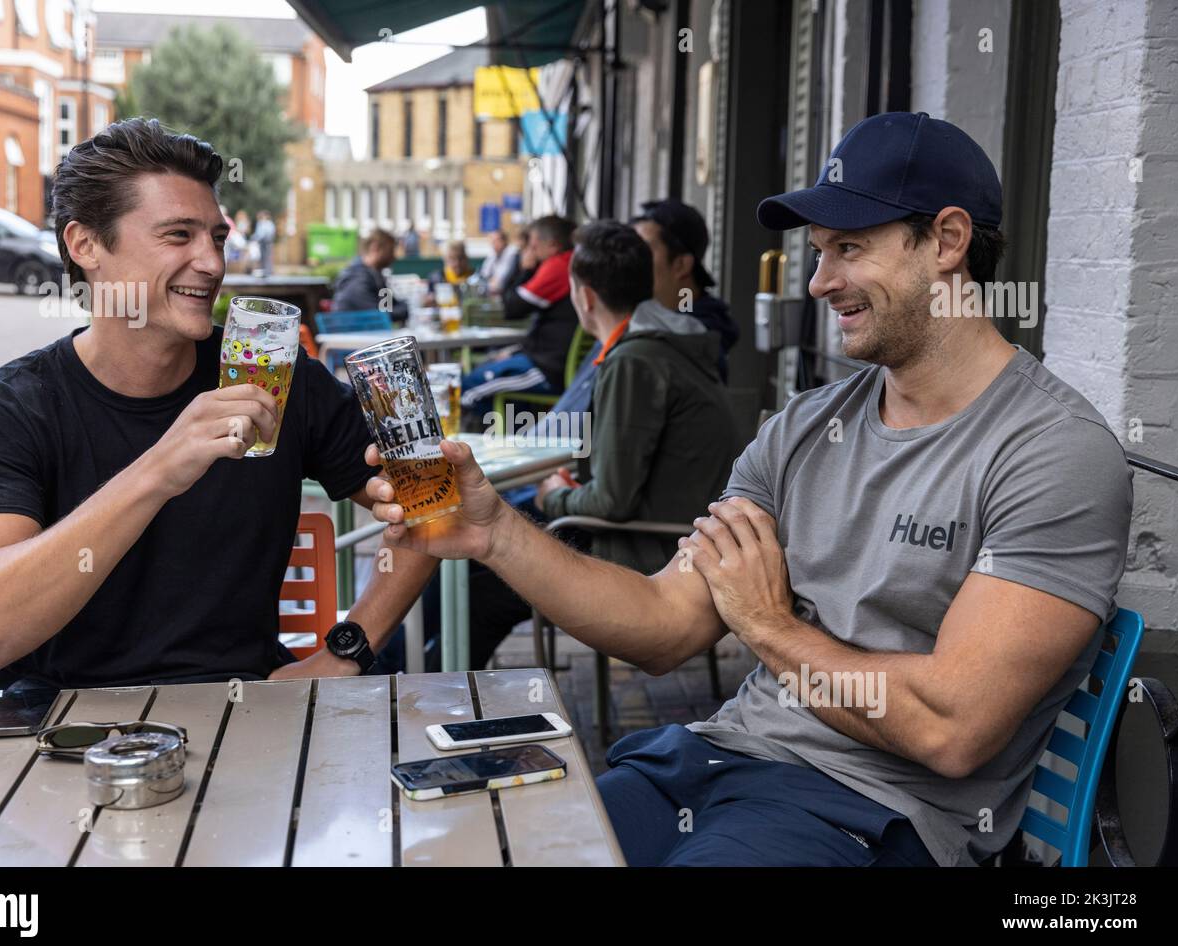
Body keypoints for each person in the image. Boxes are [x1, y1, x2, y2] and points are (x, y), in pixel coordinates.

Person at [360, 111, 1133, 867]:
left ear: (949, 242)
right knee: (493, 847)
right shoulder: (806, 427)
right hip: (710, 764)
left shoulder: (1051, 452)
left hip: (863, 813)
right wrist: (496, 530)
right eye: (819, 252)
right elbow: (665, 624)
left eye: (849, 249)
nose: (820, 280)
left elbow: (951, 727)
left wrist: (768, 625)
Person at [0, 118, 440, 691]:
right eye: (179, 235)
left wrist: (347, 650)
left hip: (245, 712)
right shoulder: (6, 409)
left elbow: (430, 493)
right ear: (85, 245)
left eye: (217, 237)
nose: (212, 262)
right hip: (61, 730)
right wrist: (160, 469)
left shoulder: (273, 378)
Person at [453, 220, 737, 670]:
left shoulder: (634, 361)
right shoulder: (672, 341)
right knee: (472, 569)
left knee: (475, 582)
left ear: (584, 296)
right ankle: (416, 679)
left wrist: (556, 494)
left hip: (645, 550)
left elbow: (611, 500)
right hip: (681, 533)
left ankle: (426, 688)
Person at [459, 215, 578, 423]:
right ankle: (514, 437)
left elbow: (512, 307)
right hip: (550, 358)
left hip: (548, 368)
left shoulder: (558, 266)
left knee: (466, 389)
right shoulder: (571, 262)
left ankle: (493, 445)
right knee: (494, 372)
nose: (529, 252)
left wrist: (526, 269)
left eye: (533, 246)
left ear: (551, 245)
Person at [630, 199, 739, 382]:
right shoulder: (683, 306)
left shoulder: (693, 339)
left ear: (681, 265)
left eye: (643, 250)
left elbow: (684, 319)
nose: (630, 260)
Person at [330, 228, 409, 321]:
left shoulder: (375, 276)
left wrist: (403, 308)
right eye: (390, 251)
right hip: (355, 333)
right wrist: (405, 310)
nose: (393, 257)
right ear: (375, 248)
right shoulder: (357, 279)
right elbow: (378, 316)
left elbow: (389, 305)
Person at [477, 229, 519, 295]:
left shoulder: (511, 253)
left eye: (497, 240)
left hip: (508, 294)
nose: (494, 244)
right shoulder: (494, 253)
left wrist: (491, 280)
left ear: (504, 241)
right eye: (492, 241)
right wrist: (491, 280)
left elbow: (501, 281)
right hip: (494, 293)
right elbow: (484, 274)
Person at [251, 210, 276, 277]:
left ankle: (268, 271)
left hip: (267, 242)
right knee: (262, 257)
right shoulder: (260, 223)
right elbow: (258, 233)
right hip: (261, 242)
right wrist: (254, 238)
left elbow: (270, 233)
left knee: (268, 256)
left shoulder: (269, 223)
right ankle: (264, 271)